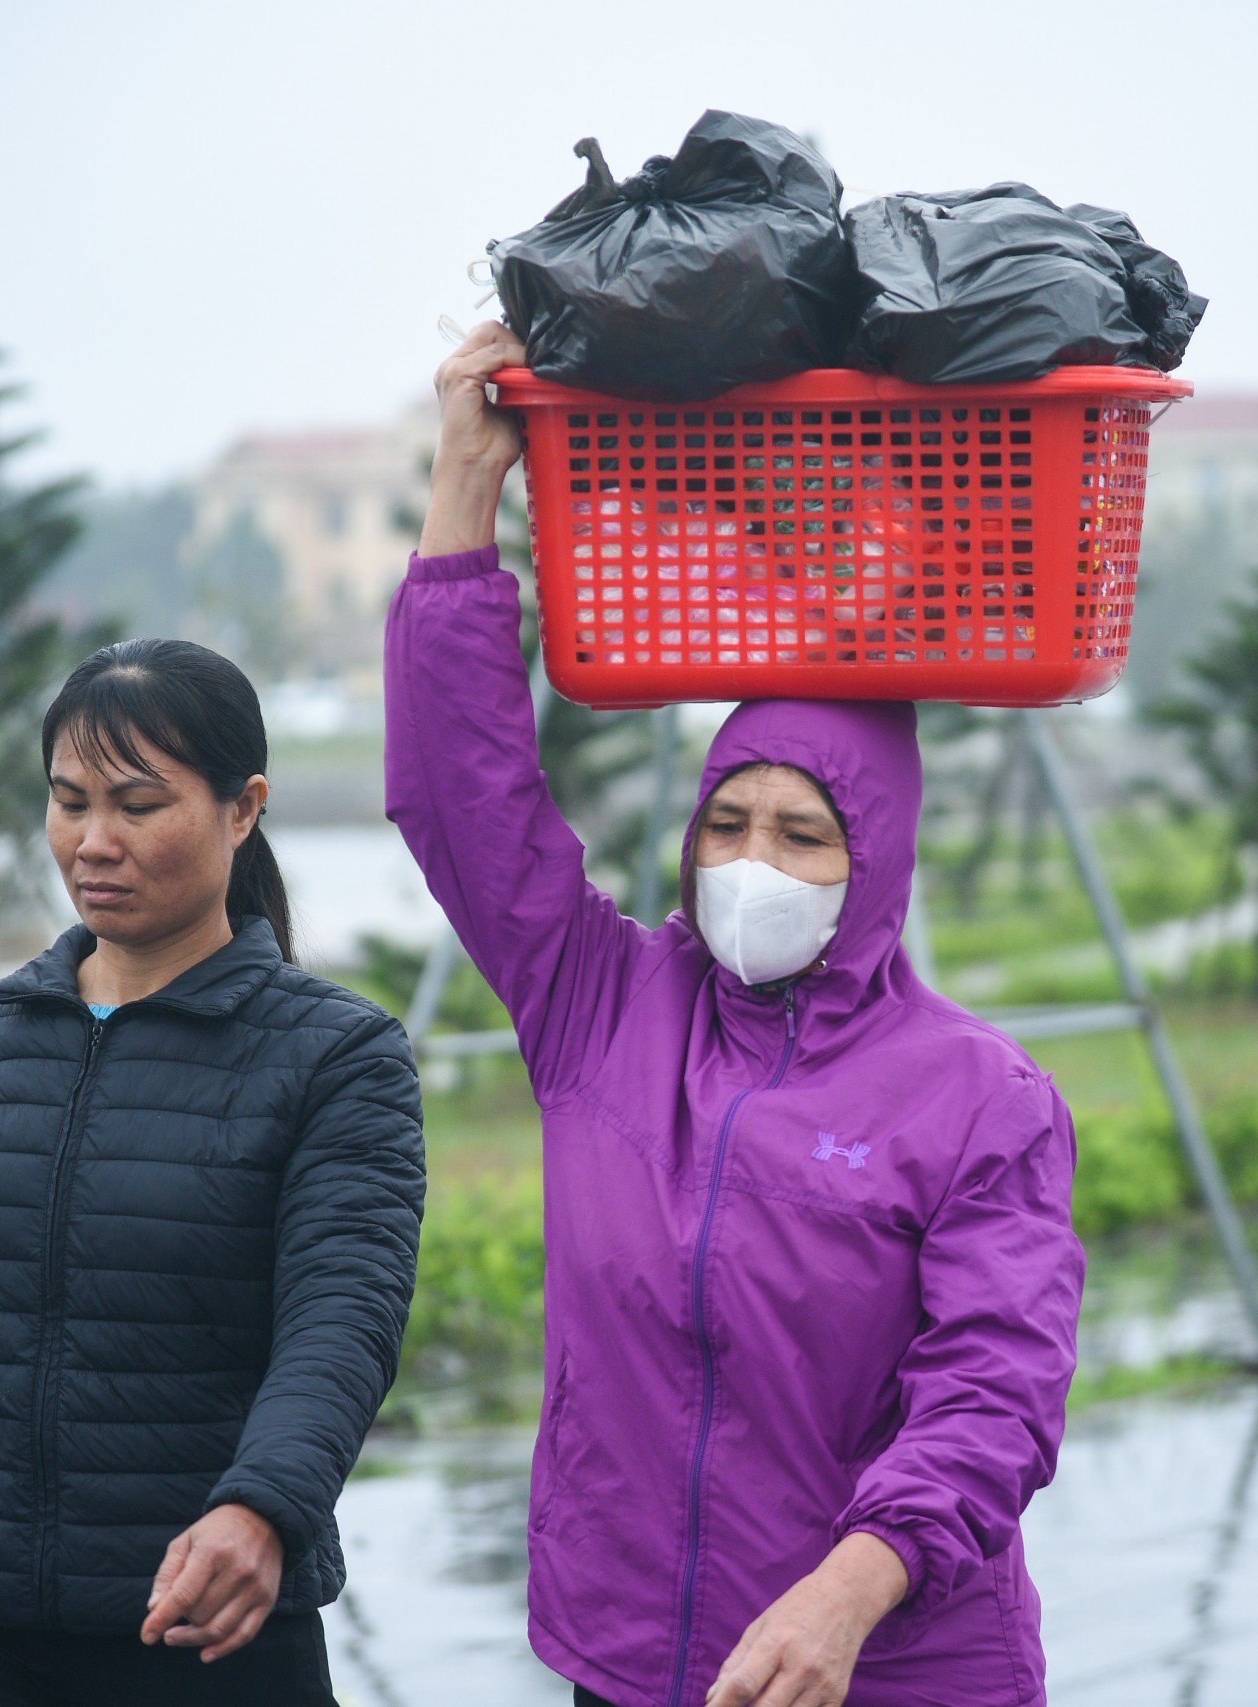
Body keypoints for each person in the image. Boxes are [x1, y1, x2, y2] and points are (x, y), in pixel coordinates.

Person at [387, 322, 1084, 1707]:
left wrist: (852, 1581)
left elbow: (994, 1385)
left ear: (874, 862)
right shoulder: (604, 1003)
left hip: (885, 1666)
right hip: (633, 1659)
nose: (754, 862)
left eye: (805, 835)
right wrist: (467, 488)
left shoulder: (977, 1095)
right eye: (729, 821)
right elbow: (464, 796)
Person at [0, 639, 425, 1707]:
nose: (93, 842)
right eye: (68, 802)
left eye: (136, 804)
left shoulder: (335, 1058)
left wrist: (260, 1511)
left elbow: (339, 1327)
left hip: (206, 1628)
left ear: (242, 807)